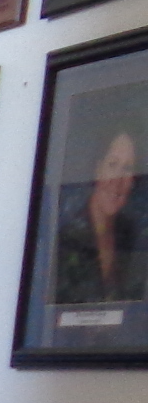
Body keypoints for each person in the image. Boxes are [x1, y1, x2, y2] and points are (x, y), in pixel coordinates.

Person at [55, 127, 145, 305]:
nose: (117, 180)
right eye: (112, 165)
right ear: (98, 169)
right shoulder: (67, 238)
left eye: (127, 168)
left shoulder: (132, 237)